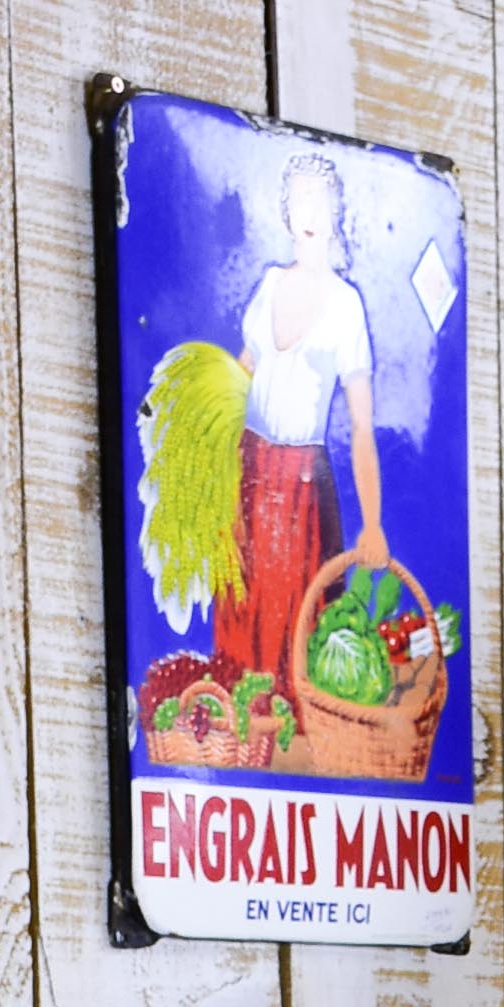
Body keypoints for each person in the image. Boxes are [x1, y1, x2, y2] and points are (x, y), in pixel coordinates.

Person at [211, 154, 391, 696]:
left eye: (320, 200)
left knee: (294, 629)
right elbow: (240, 373)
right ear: (286, 211)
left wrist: (374, 524)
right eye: (299, 199)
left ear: (336, 213)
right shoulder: (268, 285)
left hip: (301, 488)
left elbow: (363, 427)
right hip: (246, 470)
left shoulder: (345, 305)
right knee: (239, 612)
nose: (308, 212)